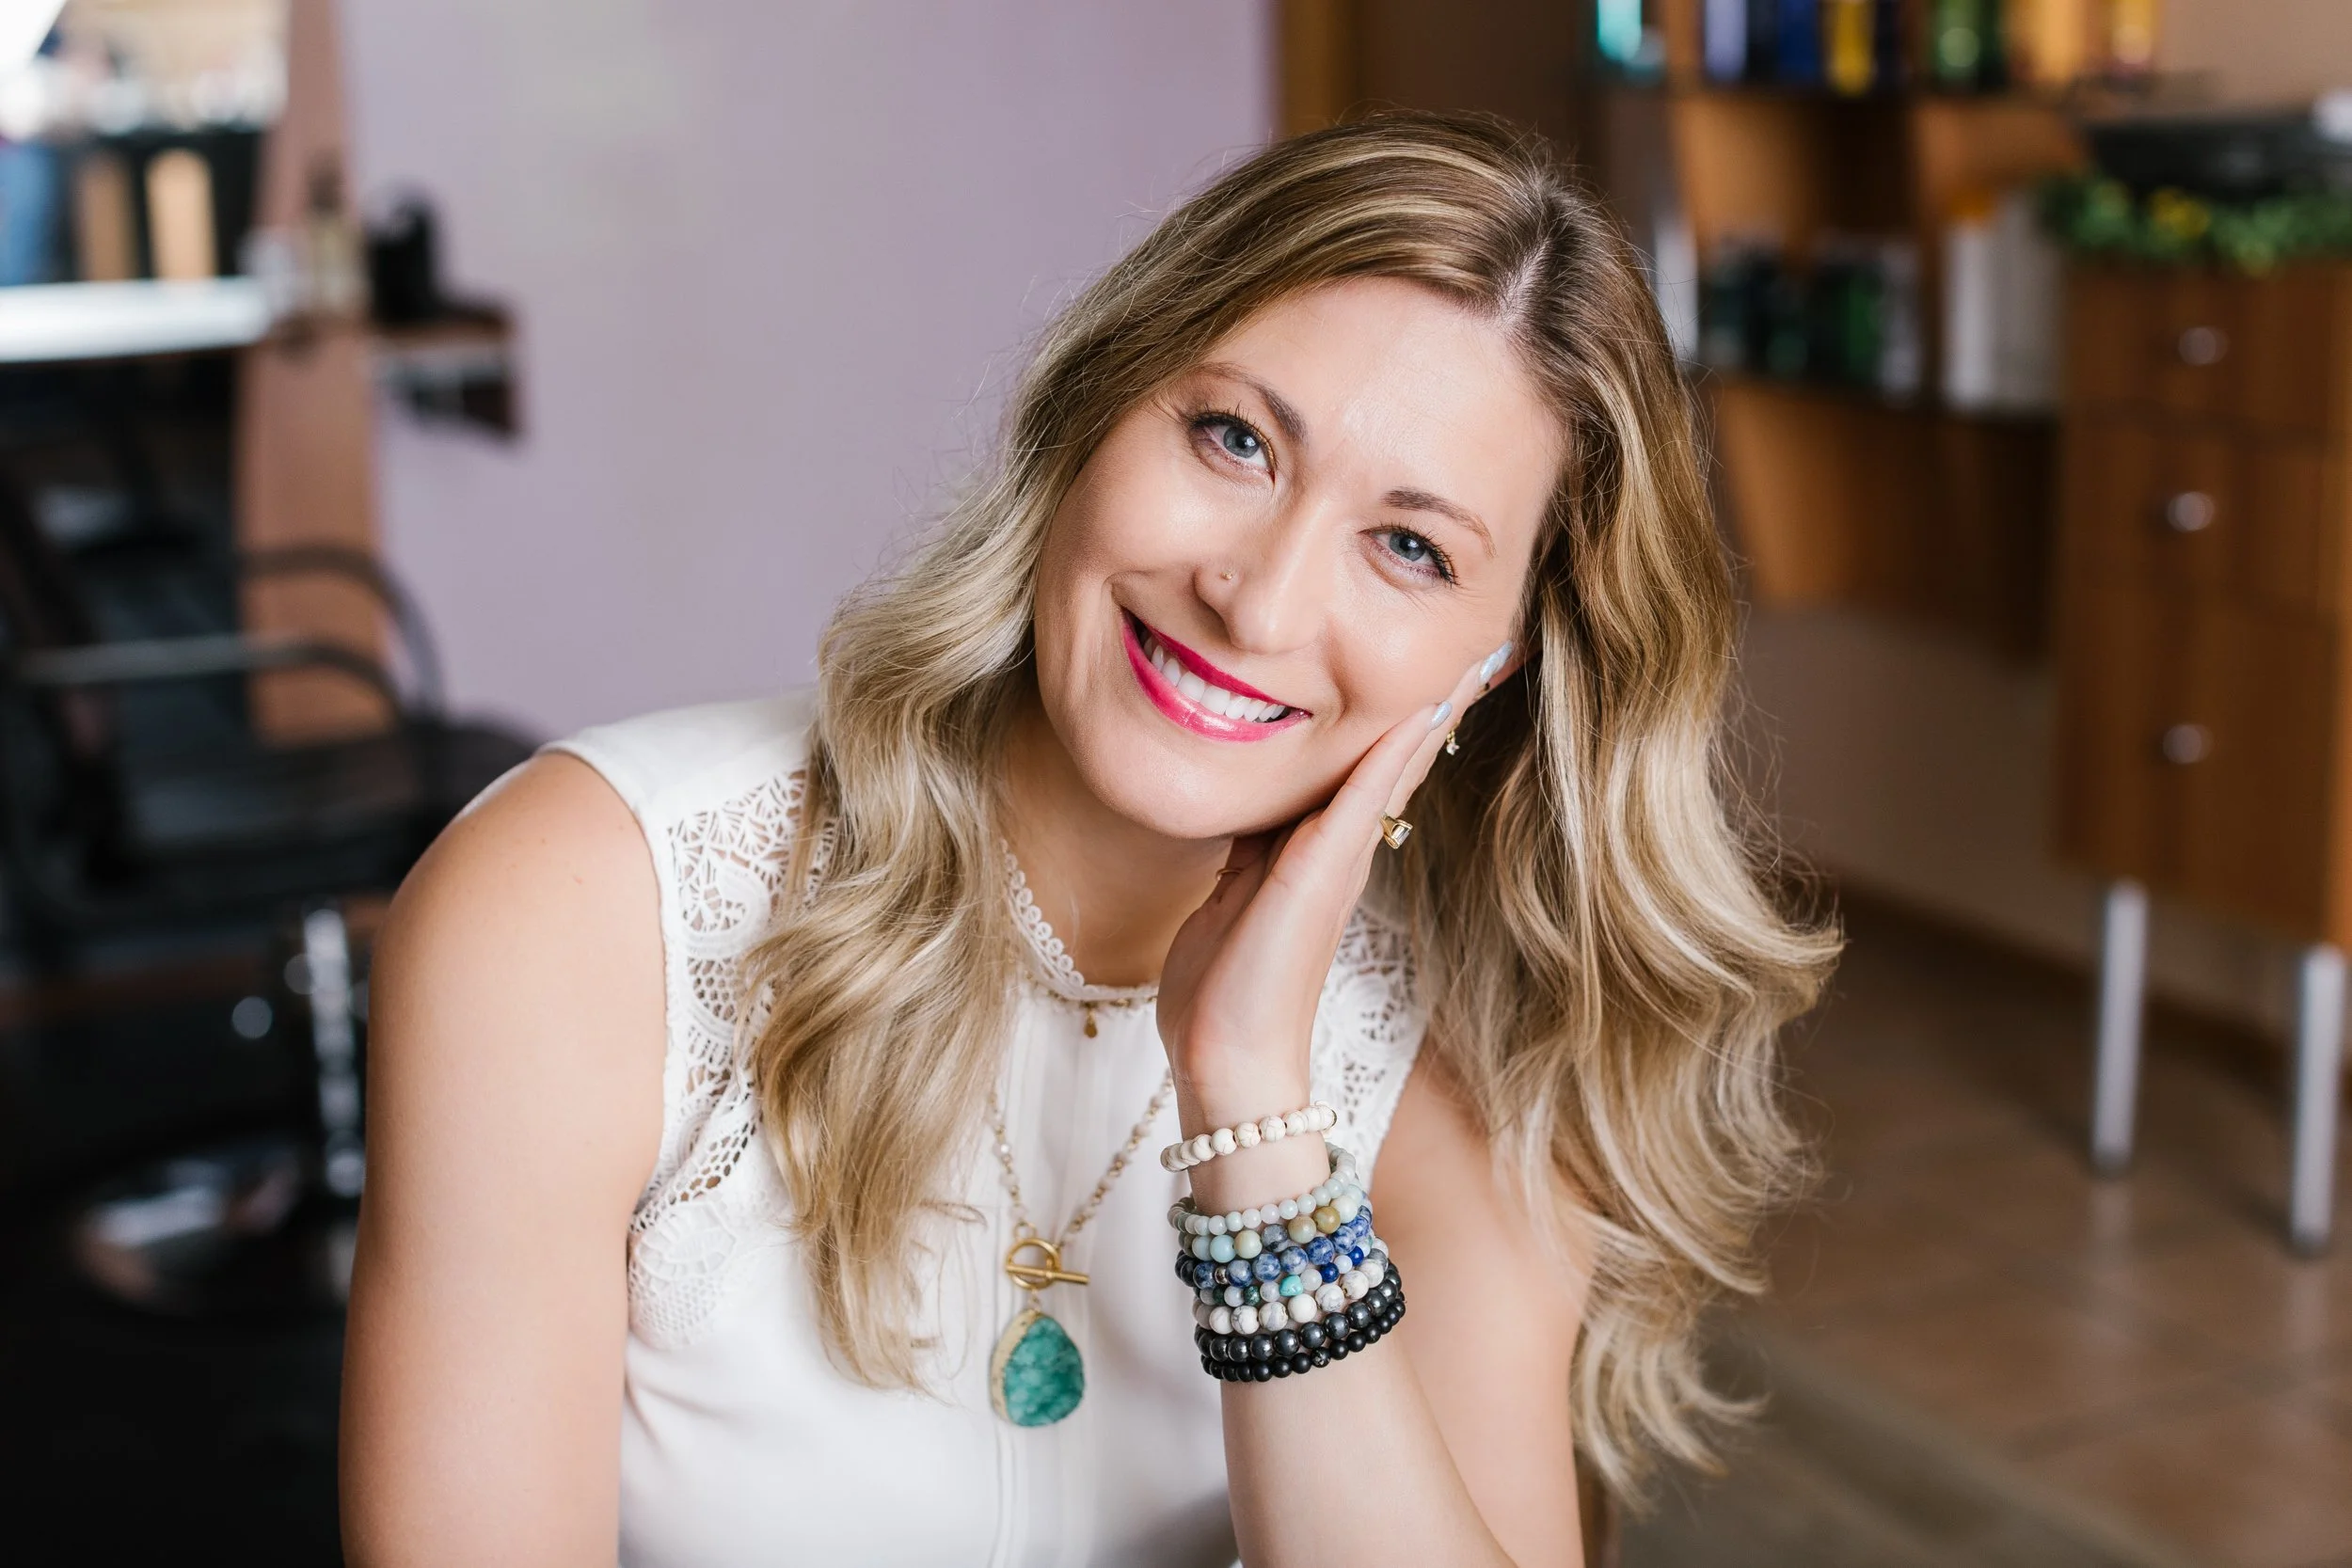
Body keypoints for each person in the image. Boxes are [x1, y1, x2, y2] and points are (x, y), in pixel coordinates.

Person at [340, 113, 1836, 1567]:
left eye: (1410, 546)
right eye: (1234, 438)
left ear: (1496, 668)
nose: (1256, 600)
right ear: (1090, 414)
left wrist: (1253, 1110)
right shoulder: (583, 907)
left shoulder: (1479, 1048)